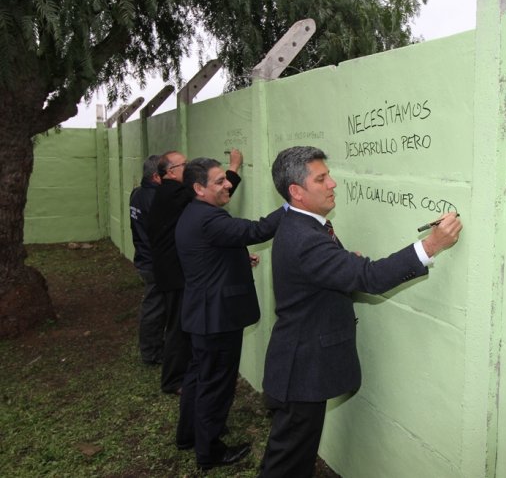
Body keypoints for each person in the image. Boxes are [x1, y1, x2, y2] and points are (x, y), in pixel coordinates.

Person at [259, 146, 462, 478]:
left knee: (291, 455)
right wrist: (432, 245)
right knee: (288, 463)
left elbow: (322, 273)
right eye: (321, 178)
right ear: (296, 191)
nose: (333, 184)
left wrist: (340, 264)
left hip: (299, 360)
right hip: (302, 368)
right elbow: (371, 278)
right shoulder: (305, 236)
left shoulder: (300, 225)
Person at [174, 157, 285, 471]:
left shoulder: (193, 214)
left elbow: (209, 252)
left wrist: (236, 259)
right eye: (220, 181)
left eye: (226, 179)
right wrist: (292, 205)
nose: (227, 186)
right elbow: (257, 229)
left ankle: (189, 435)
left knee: (198, 378)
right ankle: (209, 452)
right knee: (216, 385)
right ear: (199, 188)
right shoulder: (209, 218)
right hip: (217, 319)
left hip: (202, 315)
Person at [147, 148, 244, 395]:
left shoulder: (167, 192)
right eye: (184, 165)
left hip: (172, 269)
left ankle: (181, 378)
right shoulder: (176, 193)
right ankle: (173, 380)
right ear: (171, 172)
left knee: (178, 325)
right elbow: (214, 191)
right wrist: (233, 167)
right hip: (175, 273)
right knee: (179, 328)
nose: (188, 169)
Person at [129, 154, 165, 365]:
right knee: (154, 309)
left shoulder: (137, 193)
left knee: (155, 307)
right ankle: (151, 354)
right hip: (153, 263)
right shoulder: (155, 200)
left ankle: (154, 348)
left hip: (145, 259)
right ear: (156, 177)